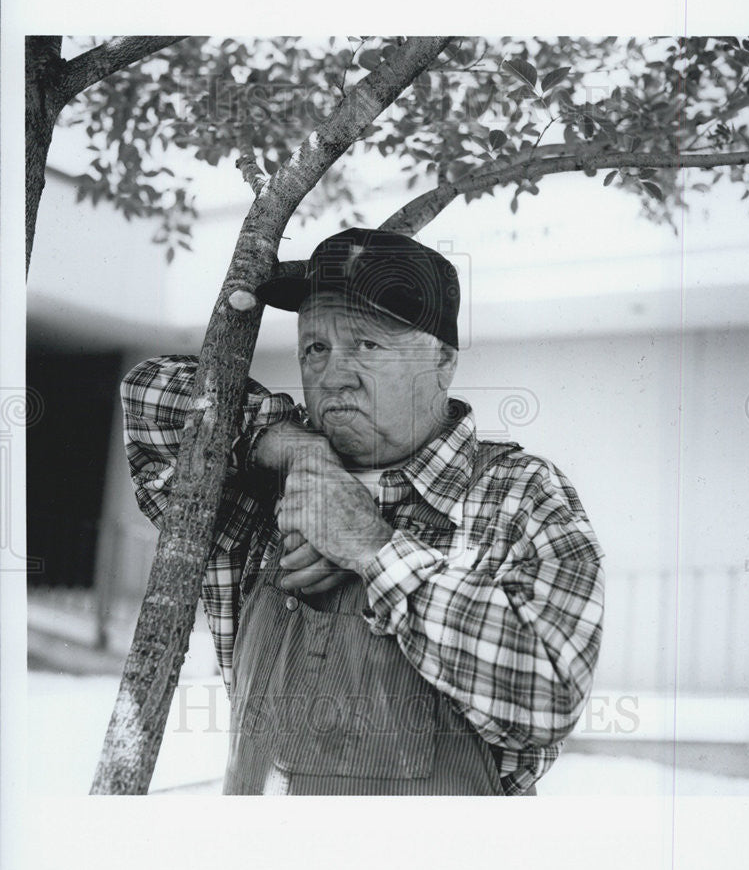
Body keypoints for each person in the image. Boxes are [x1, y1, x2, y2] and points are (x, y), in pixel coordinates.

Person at [121, 227, 605, 795]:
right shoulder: (269, 490)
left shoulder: (518, 493)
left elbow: (546, 696)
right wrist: (290, 445)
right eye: (315, 348)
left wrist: (372, 549)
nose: (333, 374)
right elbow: (146, 392)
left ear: (443, 361)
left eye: (368, 345)